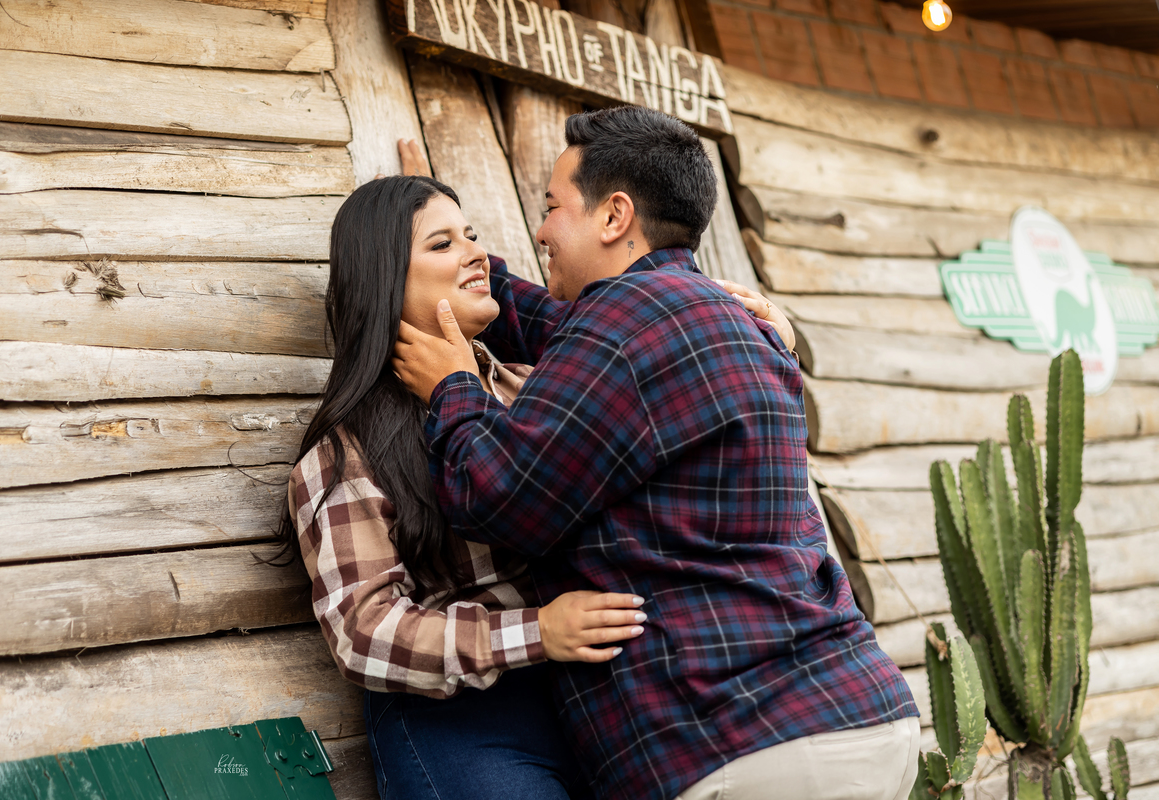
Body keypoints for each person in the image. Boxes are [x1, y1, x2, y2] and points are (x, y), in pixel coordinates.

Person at [393, 106, 921, 800]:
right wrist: (453, 252)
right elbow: (548, 325)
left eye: (552, 208)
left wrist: (454, 388)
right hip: (858, 714)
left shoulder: (620, 328)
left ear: (614, 216)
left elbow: (492, 497)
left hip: (741, 742)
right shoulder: (711, 317)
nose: (542, 230)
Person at [279, 169, 795, 799]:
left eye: (472, 235)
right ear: (384, 279)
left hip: (610, 704)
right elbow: (363, 630)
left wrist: (759, 339)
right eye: (442, 244)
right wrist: (537, 632)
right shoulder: (345, 454)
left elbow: (646, 342)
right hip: (467, 722)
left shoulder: (538, 388)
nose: (475, 253)